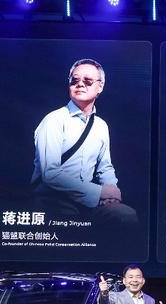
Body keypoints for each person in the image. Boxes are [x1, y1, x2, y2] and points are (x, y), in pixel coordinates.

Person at [31, 59, 139, 236]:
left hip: (87, 203)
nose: (80, 84)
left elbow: (105, 167)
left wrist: (111, 194)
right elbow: (50, 174)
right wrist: (100, 192)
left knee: (126, 216)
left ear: (100, 86)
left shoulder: (101, 125)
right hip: (54, 200)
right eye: (74, 80)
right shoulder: (53, 120)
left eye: (87, 81)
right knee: (72, 228)